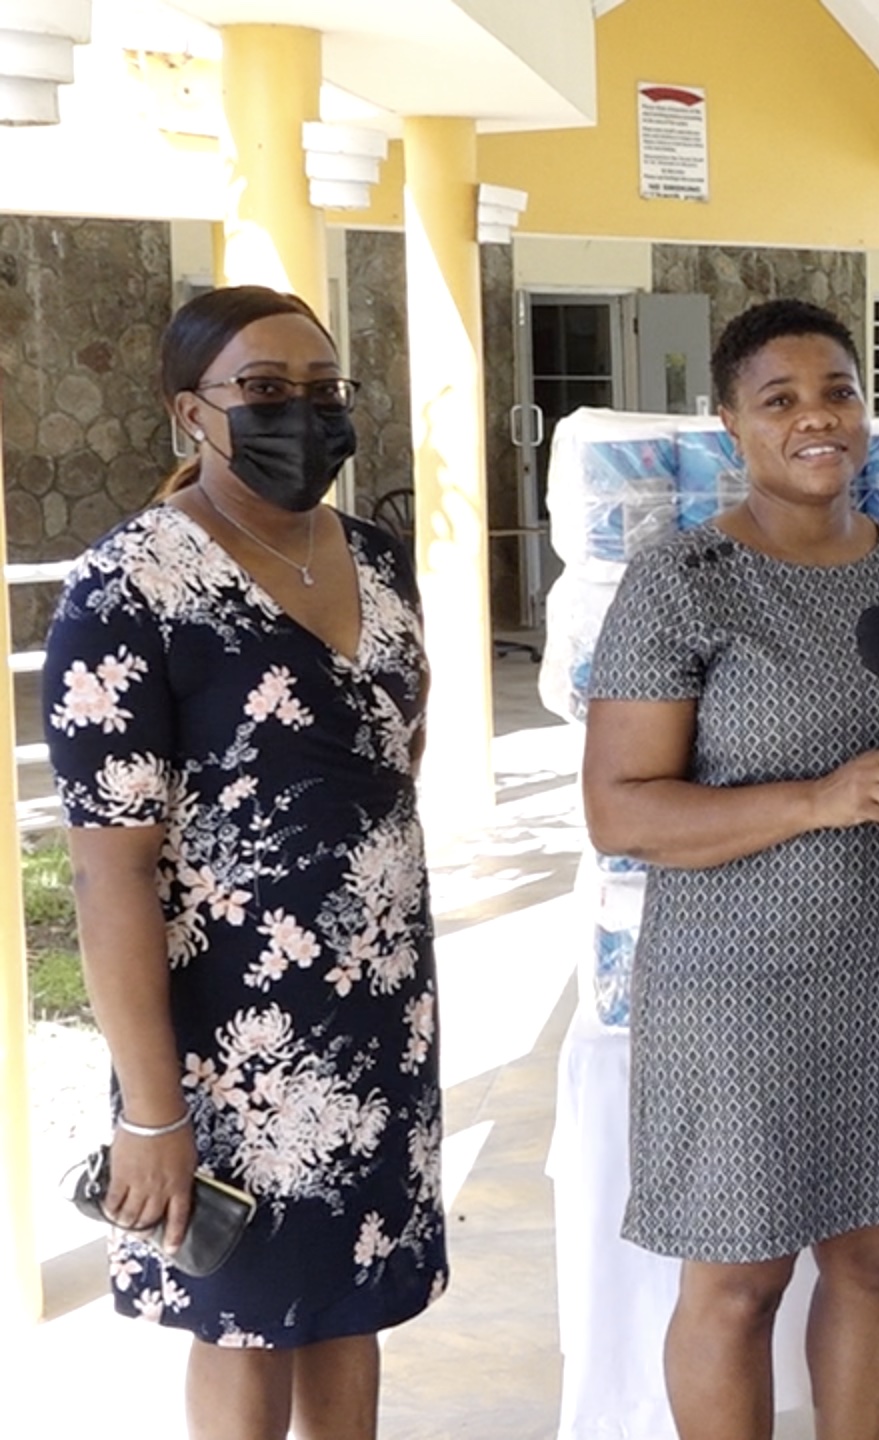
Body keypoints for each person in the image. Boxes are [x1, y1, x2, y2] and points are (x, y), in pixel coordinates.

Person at [581, 298, 879, 1440]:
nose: (817, 419)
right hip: (735, 990)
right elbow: (619, 812)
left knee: (878, 1263)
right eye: (780, 400)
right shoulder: (684, 580)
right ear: (731, 423)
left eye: (838, 392)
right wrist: (818, 801)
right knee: (740, 1280)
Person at [43, 284, 443, 1437]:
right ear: (190, 414)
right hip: (226, 1046)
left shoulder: (377, 559)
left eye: (322, 394)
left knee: (349, 1304)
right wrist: (155, 1116)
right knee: (242, 1320)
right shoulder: (129, 593)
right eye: (264, 393)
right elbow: (109, 868)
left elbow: (391, 756)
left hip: (377, 1015)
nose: (300, 416)